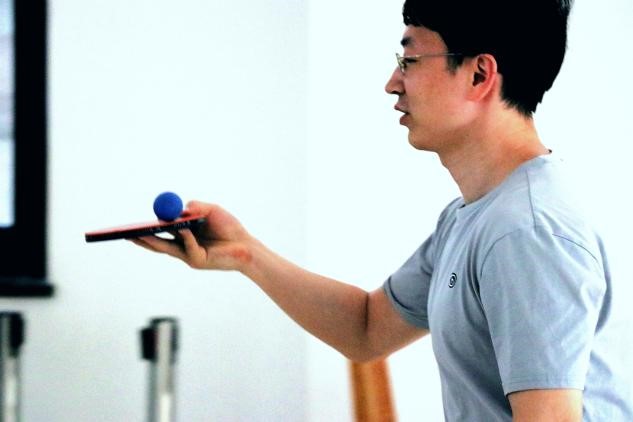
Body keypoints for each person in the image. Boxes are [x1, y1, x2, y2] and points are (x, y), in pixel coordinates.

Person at [131, 0, 633, 420]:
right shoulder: (473, 217)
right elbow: (367, 329)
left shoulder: (526, 232)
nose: (392, 83)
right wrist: (246, 253)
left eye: (409, 60)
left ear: (479, 74)